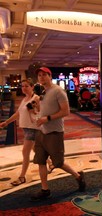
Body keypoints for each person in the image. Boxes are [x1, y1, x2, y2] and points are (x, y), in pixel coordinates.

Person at [31, 67, 86, 201]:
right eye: (39, 75)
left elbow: (66, 111)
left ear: (50, 76)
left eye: (44, 75)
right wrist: (37, 107)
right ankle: (45, 190)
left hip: (54, 132)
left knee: (58, 162)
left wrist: (47, 118)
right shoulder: (42, 92)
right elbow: (42, 110)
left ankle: (78, 176)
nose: (41, 77)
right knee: (41, 161)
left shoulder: (58, 91)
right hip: (42, 131)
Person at [0, 78, 40, 186]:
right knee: (35, 149)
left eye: (27, 86)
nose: (24, 88)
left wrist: (34, 111)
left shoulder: (36, 98)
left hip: (32, 128)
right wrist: (7, 122)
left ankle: (22, 177)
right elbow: (18, 113)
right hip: (26, 128)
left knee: (25, 152)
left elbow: (40, 113)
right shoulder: (25, 99)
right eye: (22, 86)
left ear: (32, 87)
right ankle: (50, 163)